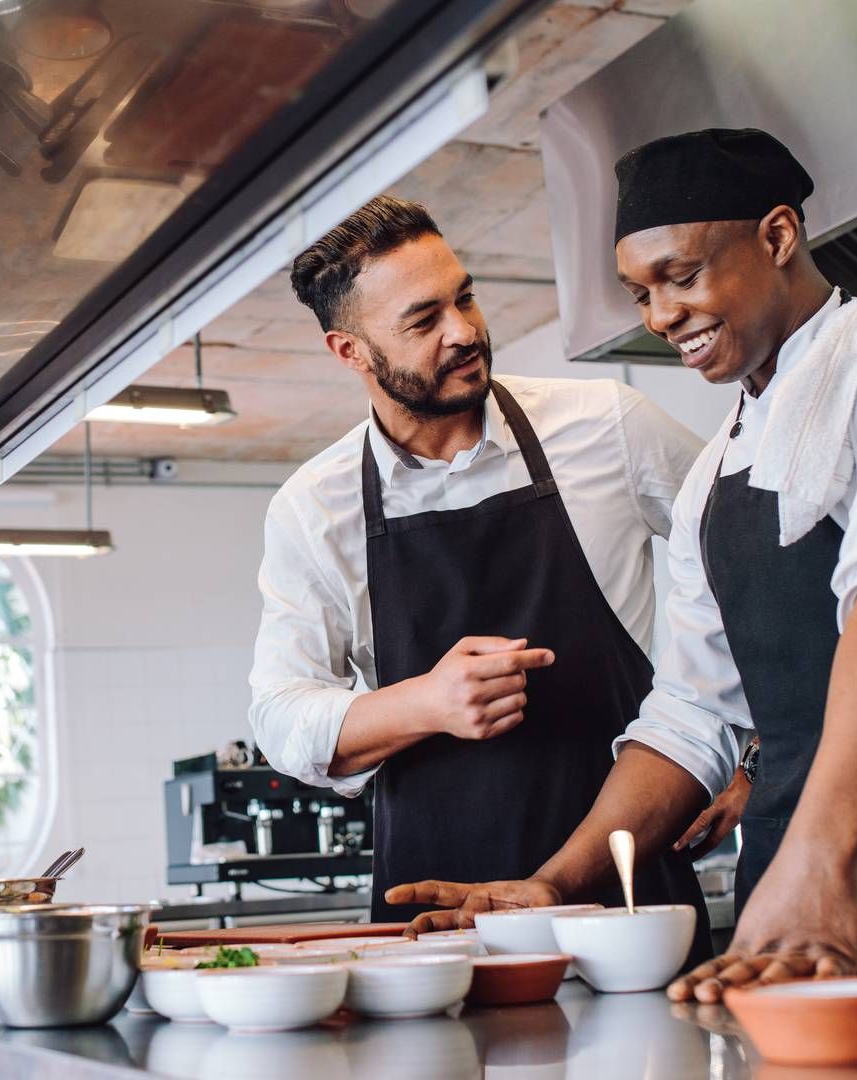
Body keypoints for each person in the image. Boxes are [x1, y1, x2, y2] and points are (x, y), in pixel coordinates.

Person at [388, 129, 857, 997]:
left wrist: (821, 855)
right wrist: (555, 882)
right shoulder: (713, 476)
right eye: (639, 293)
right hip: (794, 908)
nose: (660, 317)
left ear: (777, 237)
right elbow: (692, 716)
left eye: (682, 276)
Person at [248, 196, 718, 953]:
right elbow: (279, 717)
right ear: (350, 352)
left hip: (626, 896)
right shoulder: (314, 507)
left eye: (464, 296)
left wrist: (746, 756)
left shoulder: (608, 426)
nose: (464, 330)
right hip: (438, 918)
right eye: (423, 319)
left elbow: (759, 567)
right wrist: (427, 702)